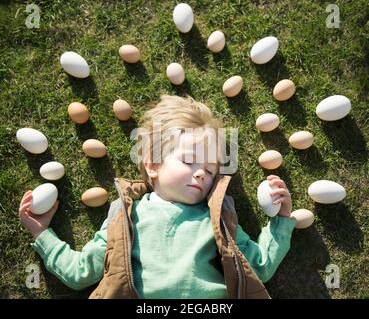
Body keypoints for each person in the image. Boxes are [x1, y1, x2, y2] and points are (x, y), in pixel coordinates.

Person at [19, 95, 296, 299]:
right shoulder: (126, 216)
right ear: (152, 165)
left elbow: (258, 267)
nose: (201, 174)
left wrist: (281, 220)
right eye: (189, 161)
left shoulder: (217, 218)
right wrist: (41, 233)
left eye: (210, 170)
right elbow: (79, 273)